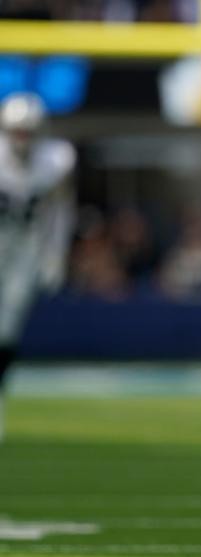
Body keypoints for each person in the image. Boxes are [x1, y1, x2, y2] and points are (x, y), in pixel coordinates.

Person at [0, 92, 75, 443]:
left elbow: (59, 214)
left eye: (27, 131)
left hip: (25, 249)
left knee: (7, 329)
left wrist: (54, 256)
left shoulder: (55, 160)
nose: (21, 139)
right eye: (16, 131)